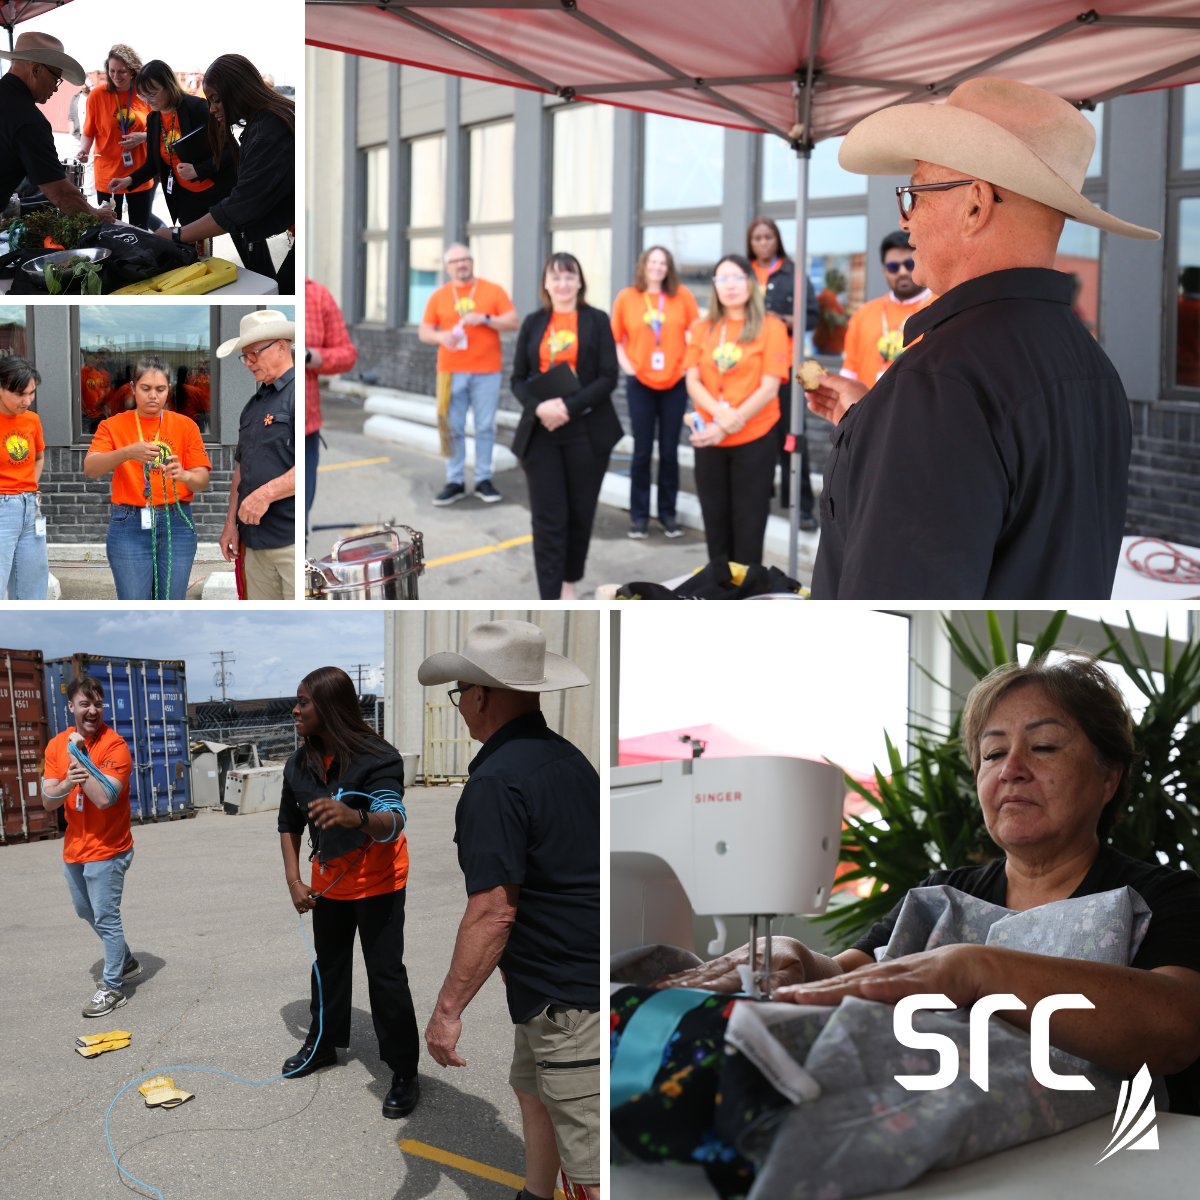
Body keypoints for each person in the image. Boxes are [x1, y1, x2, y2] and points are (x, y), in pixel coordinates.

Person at [660, 654, 1200, 1115]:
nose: (1010, 768)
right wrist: (799, 956)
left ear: (1109, 777)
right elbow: (854, 972)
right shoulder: (940, 896)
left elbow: (1176, 1028)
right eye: (992, 754)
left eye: (1044, 747)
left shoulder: (1166, 898)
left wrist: (981, 969)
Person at [806, 77, 1155, 599]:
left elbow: (892, 616)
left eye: (915, 193)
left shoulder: (942, 379)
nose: (906, 221)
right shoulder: (1093, 367)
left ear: (975, 204)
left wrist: (902, 414)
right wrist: (874, 422)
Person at [418, 620, 601, 1199]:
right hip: (557, 985)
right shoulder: (566, 759)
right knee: (533, 1088)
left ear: (482, 696)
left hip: (568, 1000)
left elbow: (494, 911)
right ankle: (535, 1193)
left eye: (460, 694)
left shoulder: (496, 782)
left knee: (594, 1167)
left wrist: (448, 1010)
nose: (461, 706)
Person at [277, 666, 420, 1120]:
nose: (294, 709)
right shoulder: (298, 764)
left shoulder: (378, 757)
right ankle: (323, 1046)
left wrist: (355, 817)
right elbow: (288, 823)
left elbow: (394, 817)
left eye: (303, 702)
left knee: (385, 976)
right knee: (329, 969)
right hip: (329, 887)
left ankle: (403, 1070)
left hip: (380, 884)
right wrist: (295, 881)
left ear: (331, 708)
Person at [511, 252, 621, 600]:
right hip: (541, 431)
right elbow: (516, 379)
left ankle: (569, 582)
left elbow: (608, 376)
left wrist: (568, 407)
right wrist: (541, 406)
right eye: (555, 277)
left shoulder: (597, 320)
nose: (562, 284)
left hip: (586, 432)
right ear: (545, 283)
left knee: (579, 513)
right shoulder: (532, 323)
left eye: (569, 277)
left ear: (580, 282)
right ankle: (550, 596)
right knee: (547, 519)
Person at [40, 674, 139, 1019]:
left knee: (106, 917)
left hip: (109, 848)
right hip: (75, 848)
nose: (93, 710)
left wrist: (80, 759)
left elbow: (104, 798)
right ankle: (125, 958)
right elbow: (48, 800)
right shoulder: (56, 745)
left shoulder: (115, 747)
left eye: (98, 703)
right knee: (85, 911)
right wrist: (69, 776)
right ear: (71, 707)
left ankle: (112, 987)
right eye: (85, 703)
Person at [155, 54, 295, 293]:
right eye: (210, 101)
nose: (212, 109)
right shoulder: (268, 119)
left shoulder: (268, 131)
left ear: (238, 91)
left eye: (217, 100)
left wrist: (177, 234)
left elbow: (240, 208)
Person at [685, 253, 790, 566]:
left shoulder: (771, 327)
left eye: (736, 278)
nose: (729, 286)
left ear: (750, 283)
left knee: (748, 532)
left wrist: (731, 421)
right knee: (715, 531)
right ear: (715, 286)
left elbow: (770, 386)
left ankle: (747, 599)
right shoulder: (702, 327)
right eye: (722, 279)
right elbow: (692, 381)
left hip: (754, 441)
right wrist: (720, 417)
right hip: (710, 441)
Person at [83, 354, 211, 600]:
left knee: (172, 602)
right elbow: (90, 468)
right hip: (129, 523)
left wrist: (183, 474)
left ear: (169, 390)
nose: (153, 395)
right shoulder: (112, 425)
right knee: (134, 604)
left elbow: (202, 479)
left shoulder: (186, 426)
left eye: (160, 389)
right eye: (146, 388)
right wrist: (127, 452)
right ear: (132, 388)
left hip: (177, 521)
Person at [418, 244, 519, 506]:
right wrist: (442, 336)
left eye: (465, 259)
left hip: (487, 371)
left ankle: (484, 478)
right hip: (451, 371)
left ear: (472, 262)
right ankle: (455, 481)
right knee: (453, 428)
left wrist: (485, 318)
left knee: (485, 426)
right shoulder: (439, 296)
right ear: (447, 267)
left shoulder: (492, 290)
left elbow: (512, 321)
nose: (461, 264)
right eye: (455, 261)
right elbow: (424, 331)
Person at [611, 245, 699, 539]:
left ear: (668, 268)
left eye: (663, 263)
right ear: (644, 265)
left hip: (674, 383)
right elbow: (617, 339)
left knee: (670, 451)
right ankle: (639, 517)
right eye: (653, 261)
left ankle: (667, 515)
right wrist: (629, 369)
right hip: (641, 384)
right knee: (641, 451)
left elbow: (696, 335)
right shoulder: (627, 297)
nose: (658, 267)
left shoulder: (682, 296)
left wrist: (686, 368)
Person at [216, 310, 296, 600]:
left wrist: (265, 495)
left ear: (281, 346)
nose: (248, 363)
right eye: (244, 356)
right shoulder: (253, 405)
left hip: (291, 541)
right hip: (253, 542)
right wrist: (230, 525)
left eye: (253, 354)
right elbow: (242, 469)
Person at [746, 216, 819, 528]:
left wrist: (783, 320)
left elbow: (813, 317)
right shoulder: (744, 275)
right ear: (750, 243)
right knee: (755, 437)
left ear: (777, 240)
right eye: (757, 238)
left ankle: (802, 507)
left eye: (768, 237)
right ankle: (756, 499)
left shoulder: (793, 274)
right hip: (750, 370)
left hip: (786, 367)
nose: (763, 242)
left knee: (792, 435)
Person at [0, 32, 116, 223]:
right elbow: (60, 193)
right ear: (36, 70)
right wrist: (95, 214)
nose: (56, 88)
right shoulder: (29, 120)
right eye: (56, 78)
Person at [106, 59, 235, 229]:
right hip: (187, 197)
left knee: (246, 242)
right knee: (194, 249)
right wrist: (128, 180)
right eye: (142, 95)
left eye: (152, 94)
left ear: (169, 86)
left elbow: (230, 151)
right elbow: (153, 164)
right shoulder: (154, 118)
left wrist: (198, 170)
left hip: (220, 191)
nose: (147, 101)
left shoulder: (198, 108)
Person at [838, 230, 936, 388]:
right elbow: (849, 374)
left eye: (910, 264)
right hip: (868, 410)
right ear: (884, 271)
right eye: (893, 267)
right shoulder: (863, 314)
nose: (902, 272)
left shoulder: (940, 309)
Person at [78, 44, 155, 228]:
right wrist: (84, 150)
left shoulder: (144, 93)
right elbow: (89, 131)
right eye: (112, 71)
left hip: (139, 173)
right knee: (110, 228)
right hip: (107, 175)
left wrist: (143, 137)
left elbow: (161, 128)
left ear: (133, 71)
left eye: (122, 72)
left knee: (139, 229)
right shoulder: (98, 94)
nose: (116, 76)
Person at [305, 278, 357, 529]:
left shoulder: (317, 296)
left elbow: (347, 354)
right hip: (266, 430)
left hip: (305, 431)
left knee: (299, 520)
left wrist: (312, 356)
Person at [0, 355, 48, 600]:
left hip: (30, 507)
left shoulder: (32, 420)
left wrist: (30, 487)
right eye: (20, 394)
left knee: (33, 585)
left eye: (31, 393)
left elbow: (39, 457)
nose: (27, 400)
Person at [811, 267, 848, 357]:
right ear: (835, 280)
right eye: (842, 279)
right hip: (828, 348)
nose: (845, 283)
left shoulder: (831, 297)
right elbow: (832, 318)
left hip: (833, 347)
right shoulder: (827, 297)